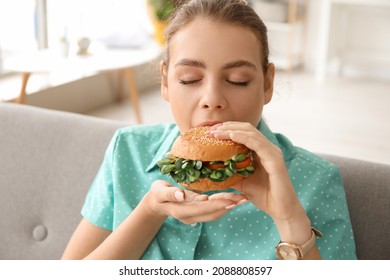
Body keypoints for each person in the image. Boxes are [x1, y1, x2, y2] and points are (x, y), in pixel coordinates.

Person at [62, 0, 356, 260]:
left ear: (267, 84)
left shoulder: (316, 180)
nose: (212, 99)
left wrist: (290, 219)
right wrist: (150, 212)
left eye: (238, 80)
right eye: (190, 79)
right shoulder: (127, 151)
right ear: (165, 82)